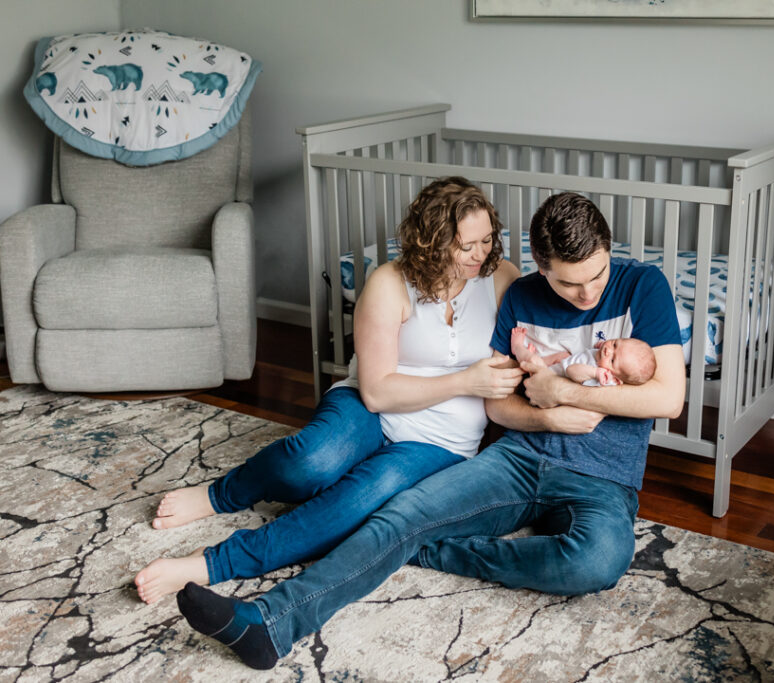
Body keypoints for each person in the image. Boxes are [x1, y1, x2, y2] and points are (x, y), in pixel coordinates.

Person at [173, 191, 686, 670]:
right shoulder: (521, 294)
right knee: (399, 515)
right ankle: (271, 623)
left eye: (596, 275)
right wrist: (546, 416)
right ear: (540, 264)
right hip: (516, 459)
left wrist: (566, 393)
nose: (587, 292)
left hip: (602, 477)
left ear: (608, 249)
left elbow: (668, 398)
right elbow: (500, 409)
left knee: (599, 560)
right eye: (569, 282)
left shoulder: (642, 286)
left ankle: (431, 551)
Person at [133, 176, 523, 604]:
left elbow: (532, 338)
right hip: (371, 405)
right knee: (308, 462)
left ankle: (212, 564)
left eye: (487, 240)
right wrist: (466, 381)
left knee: (356, 503)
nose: (479, 254)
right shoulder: (390, 283)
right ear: (432, 241)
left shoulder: (500, 277)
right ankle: (222, 493)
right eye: (465, 246)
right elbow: (376, 393)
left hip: (441, 440)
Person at [510, 326, 657, 386]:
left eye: (612, 360)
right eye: (615, 345)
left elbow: (571, 370)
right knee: (563, 355)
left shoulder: (601, 378)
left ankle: (517, 348)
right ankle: (538, 361)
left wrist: (595, 372)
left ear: (616, 379)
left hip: (545, 381)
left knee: (534, 361)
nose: (608, 351)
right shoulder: (603, 359)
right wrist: (600, 347)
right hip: (557, 368)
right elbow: (592, 355)